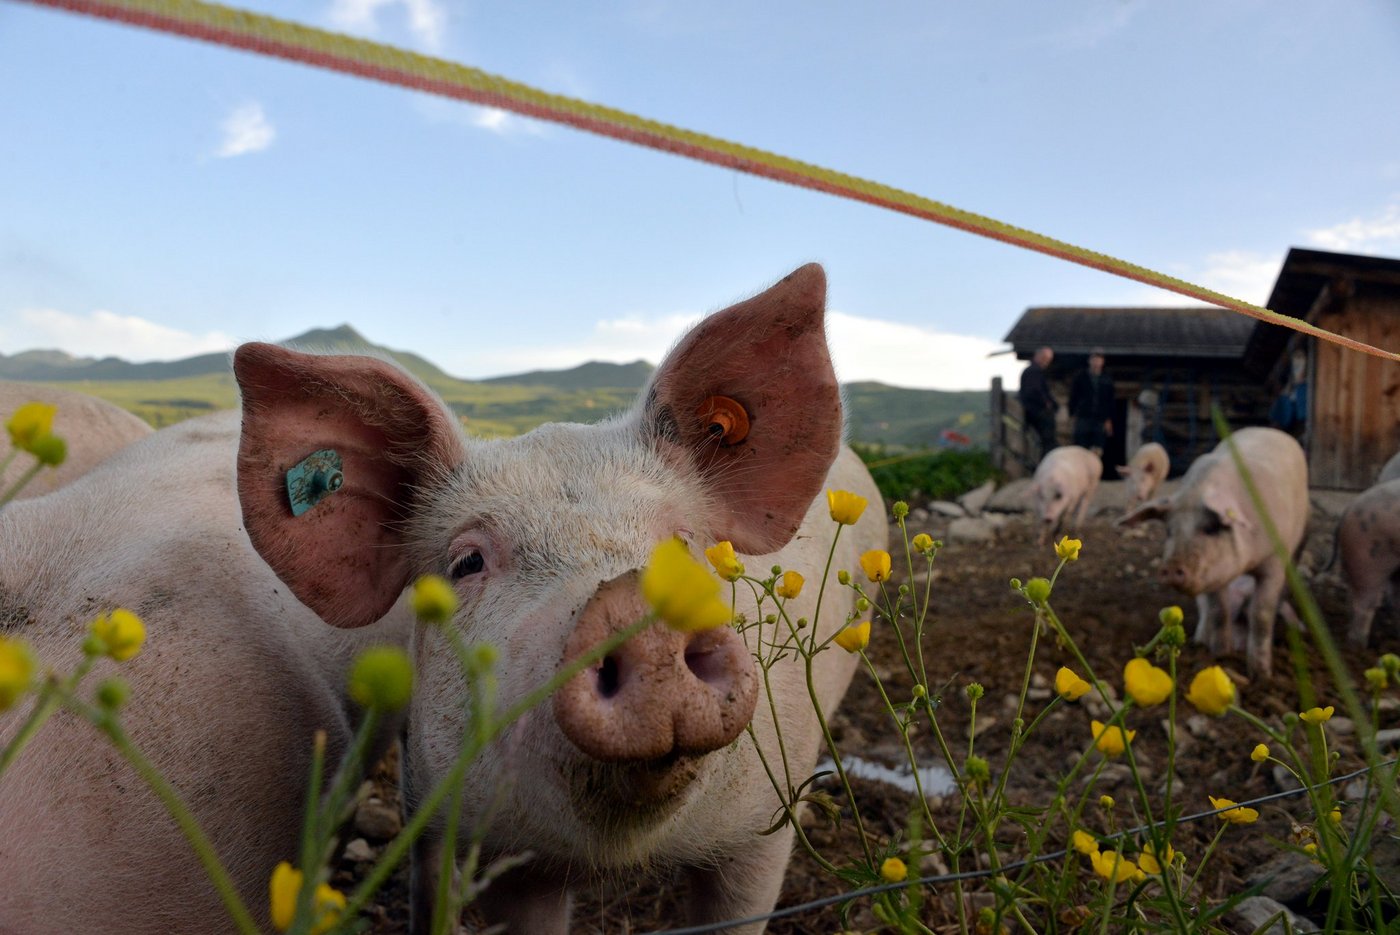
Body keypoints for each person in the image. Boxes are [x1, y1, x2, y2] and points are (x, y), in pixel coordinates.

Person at [1070, 348, 1114, 455]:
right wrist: (1072, 414)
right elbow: (1073, 397)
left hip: (1100, 419)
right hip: (1083, 417)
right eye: (1094, 359)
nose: (1096, 362)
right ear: (1089, 361)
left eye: (1099, 360)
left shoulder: (1107, 380)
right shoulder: (1080, 377)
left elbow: (1110, 401)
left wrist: (1108, 419)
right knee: (1080, 448)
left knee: (1097, 449)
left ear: (1102, 362)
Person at [1019, 346, 1058, 462]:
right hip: (1037, 413)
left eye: (1048, 359)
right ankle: (1045, 467)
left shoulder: (1035, 371)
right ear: (1037, 356)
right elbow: (1034, 391)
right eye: (1045, 358)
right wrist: (1047, 403)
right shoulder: (1033, 371)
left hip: (1037, 412)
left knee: (1047, 442)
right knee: (1047, 442)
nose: (1046, 362)